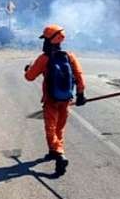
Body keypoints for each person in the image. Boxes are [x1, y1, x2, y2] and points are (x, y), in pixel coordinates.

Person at [24, 24, 86, 175]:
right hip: (65, 99)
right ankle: (54, 152)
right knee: (59, 128)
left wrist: (28, 69)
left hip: (51, 100)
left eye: (45, 39)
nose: (43, 42)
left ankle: (59, 154)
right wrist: (80, 95)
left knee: (50, 129)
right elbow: (79, 76)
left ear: (49, 41)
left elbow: (29, 77)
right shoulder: (70, 56)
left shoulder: (44, 58)